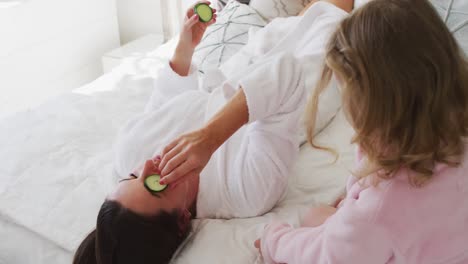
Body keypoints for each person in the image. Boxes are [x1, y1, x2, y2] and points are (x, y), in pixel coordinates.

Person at [73, 1, 353, 263]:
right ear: (183, 219)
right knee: (329, 14)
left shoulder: (131, 151)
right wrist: (209, 138)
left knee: (290, 21)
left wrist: (185, 46)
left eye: (133, 176)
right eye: (153, 184)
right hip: (301, 84)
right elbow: (285, 73)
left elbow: (165, 104)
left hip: (243, 68)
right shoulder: (244, 191)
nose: (149, 163)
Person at [255, 0, 468, 263]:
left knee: (313, 217)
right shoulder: (454, 129)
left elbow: (325, 254)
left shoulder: (381, 206)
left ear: (374, 112)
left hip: (384, 239)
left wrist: (273, 239)